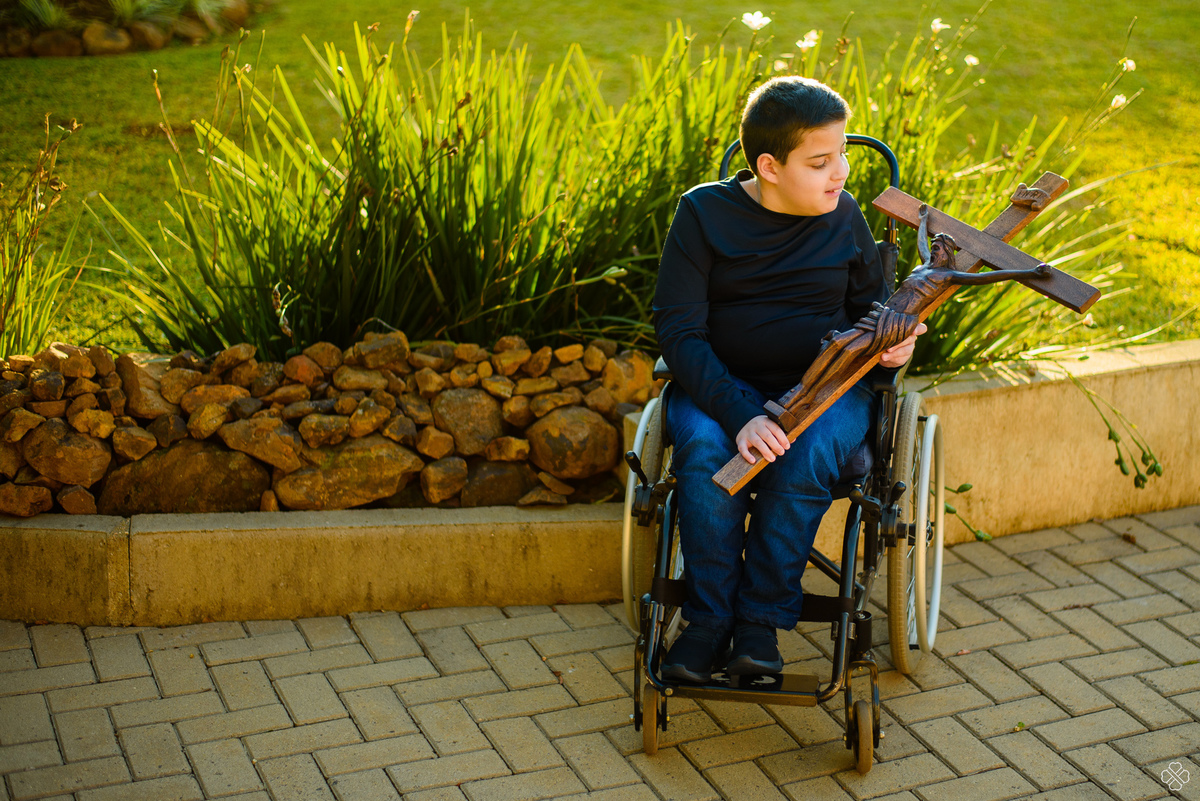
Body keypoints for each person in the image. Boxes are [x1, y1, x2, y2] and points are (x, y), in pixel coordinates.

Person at [652, 76, 925, 682]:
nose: (842, 174)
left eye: (844, 156)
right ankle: (706, 623)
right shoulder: (703, 213)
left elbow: (870, 311)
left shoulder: (844, 215)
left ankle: (758, 625)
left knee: (808, 452)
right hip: (721, 383)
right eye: (821, 161)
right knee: (704, 452)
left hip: (827, 386)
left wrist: (893, 348)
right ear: (769, 166)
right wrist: (739, 414)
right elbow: (680, 331)